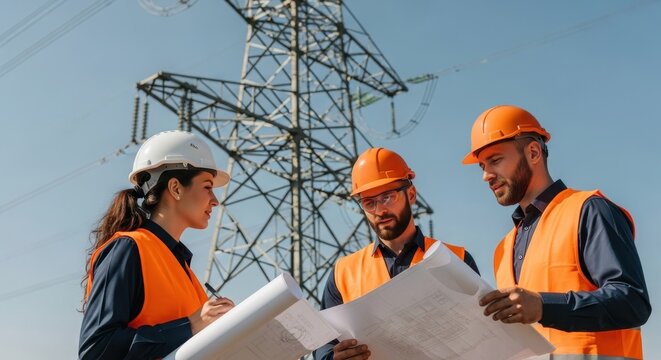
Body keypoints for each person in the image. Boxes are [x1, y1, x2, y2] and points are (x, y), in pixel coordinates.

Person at [462, 105, 651, 359]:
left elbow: (632, 302)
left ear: (533, 152)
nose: (486, 175)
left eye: (495, 161)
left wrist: (544, 306)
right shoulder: (504, 248)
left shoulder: (588, 210)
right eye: (482, 166)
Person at [79, 130, 236, 359]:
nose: (215, 200)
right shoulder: (128, 249)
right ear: (175, 188)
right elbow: (96, 349)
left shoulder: (183, 271)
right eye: (207, 186)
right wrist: (190, 325)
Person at [314, 147, 480, 360]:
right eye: (369, 203)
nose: (380, 210)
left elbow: (482, 332)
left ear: (411, 195)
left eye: (387, 197)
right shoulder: (343, 273)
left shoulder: (455, 259)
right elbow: (323, 346)